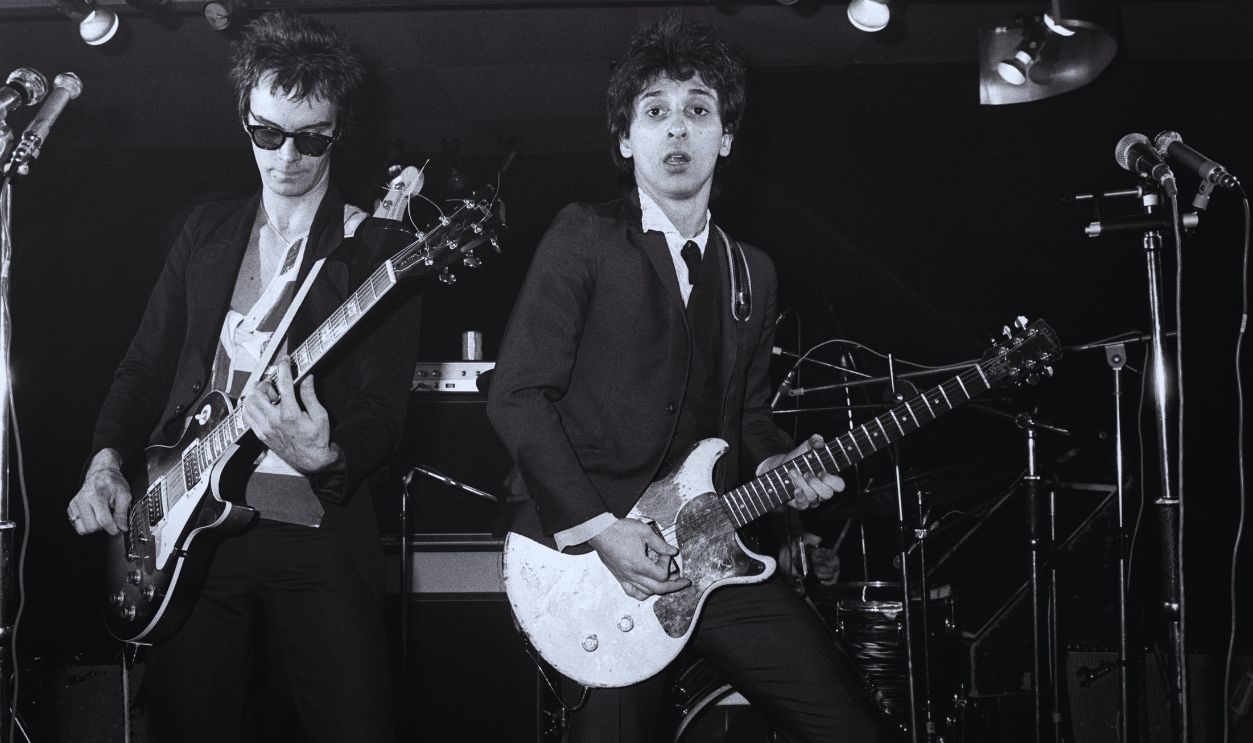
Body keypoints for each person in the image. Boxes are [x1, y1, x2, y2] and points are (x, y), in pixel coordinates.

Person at [486, 14, 880, 743]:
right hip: (594, 564)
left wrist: (776, 459)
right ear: (625, 139)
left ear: (724, 137)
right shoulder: (585, 234)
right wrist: (603, 530)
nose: (676, 132)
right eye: (655, 112)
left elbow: (744, 416)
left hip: (711, 550)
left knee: (851, 726)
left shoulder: (750, 271)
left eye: (697, 112)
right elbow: (516, 394)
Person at [64, 12, 420, 742]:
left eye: (311, 137)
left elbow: (385, 408)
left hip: (314, 529)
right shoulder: (204, 230)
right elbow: (145, 361)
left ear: (338, 131)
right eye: (268, 133)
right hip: (191, 531)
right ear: (243, 119)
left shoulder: (377, 250)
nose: (288, 156)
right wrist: (104, 457)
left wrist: (331, 453)